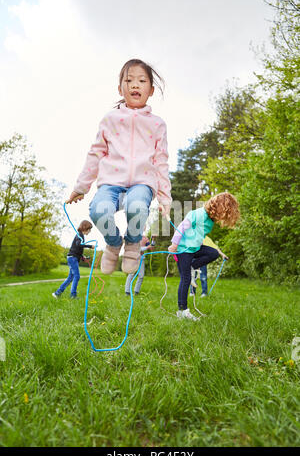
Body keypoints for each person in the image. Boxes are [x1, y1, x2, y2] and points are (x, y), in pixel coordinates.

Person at [66, 59, 172, 276]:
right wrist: (81, 186)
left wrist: (164, 198)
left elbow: (161, 162)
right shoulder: (109, 119)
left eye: (141, 81)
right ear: (120, 88)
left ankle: (132, 244)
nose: (135, 85)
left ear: (151, 90)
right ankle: (114, 243)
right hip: (111, 182)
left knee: (137, 206)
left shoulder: (157, 124)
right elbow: (95, 153)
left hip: (142, 183)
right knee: (99, 210)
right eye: (129, 80)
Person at [168, 192, 240, 321]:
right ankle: (182, 311)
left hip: (194, 249)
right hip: (184, 249)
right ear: (217, 207)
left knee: (213, 253)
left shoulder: (210, 221)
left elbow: (199, 233)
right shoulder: (199, 213)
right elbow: (182, 226)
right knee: (185, 279)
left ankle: (192, 267)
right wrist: (174, 243)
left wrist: (199, 241)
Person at [52, 220, 94, 299]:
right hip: (72, 258)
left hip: (73, 258)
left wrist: (82, 257)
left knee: (70, 277)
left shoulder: (81, 236)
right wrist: (90, 246)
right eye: (89, 229)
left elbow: (77, 249)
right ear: (85, 228)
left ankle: (57, 293)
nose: (90, 231)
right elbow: (79, 244)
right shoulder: (79, 235)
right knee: (77, 276)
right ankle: (73, 295)